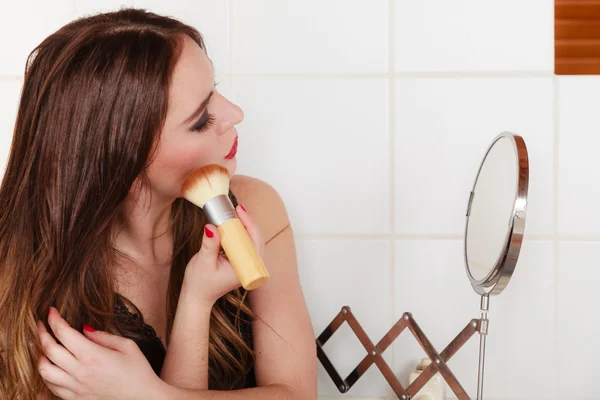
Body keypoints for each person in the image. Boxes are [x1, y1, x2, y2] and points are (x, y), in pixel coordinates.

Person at [0, 8, 317, 399]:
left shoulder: (255, 208)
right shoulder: (21, 275)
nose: (235, 114)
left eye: (214, 89)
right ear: (123, 159)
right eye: (201, 119)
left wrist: (151, 392)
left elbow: (297, 394)